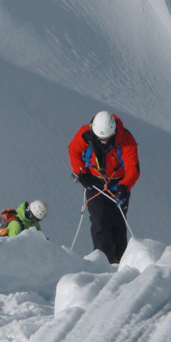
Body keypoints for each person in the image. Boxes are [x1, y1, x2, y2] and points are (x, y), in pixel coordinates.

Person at [69, 111, 139, 263]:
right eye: (101, 139)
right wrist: (81, 173)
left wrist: (124, 187)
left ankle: (120, 261)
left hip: (118, 184)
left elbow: (133, 168)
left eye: (107, 139)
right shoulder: (85, 133)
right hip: (94, 183)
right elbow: (74, 150)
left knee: (118, 223)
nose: (104, 142)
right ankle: (103, 262)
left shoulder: (126, 139)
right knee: (99, 222)